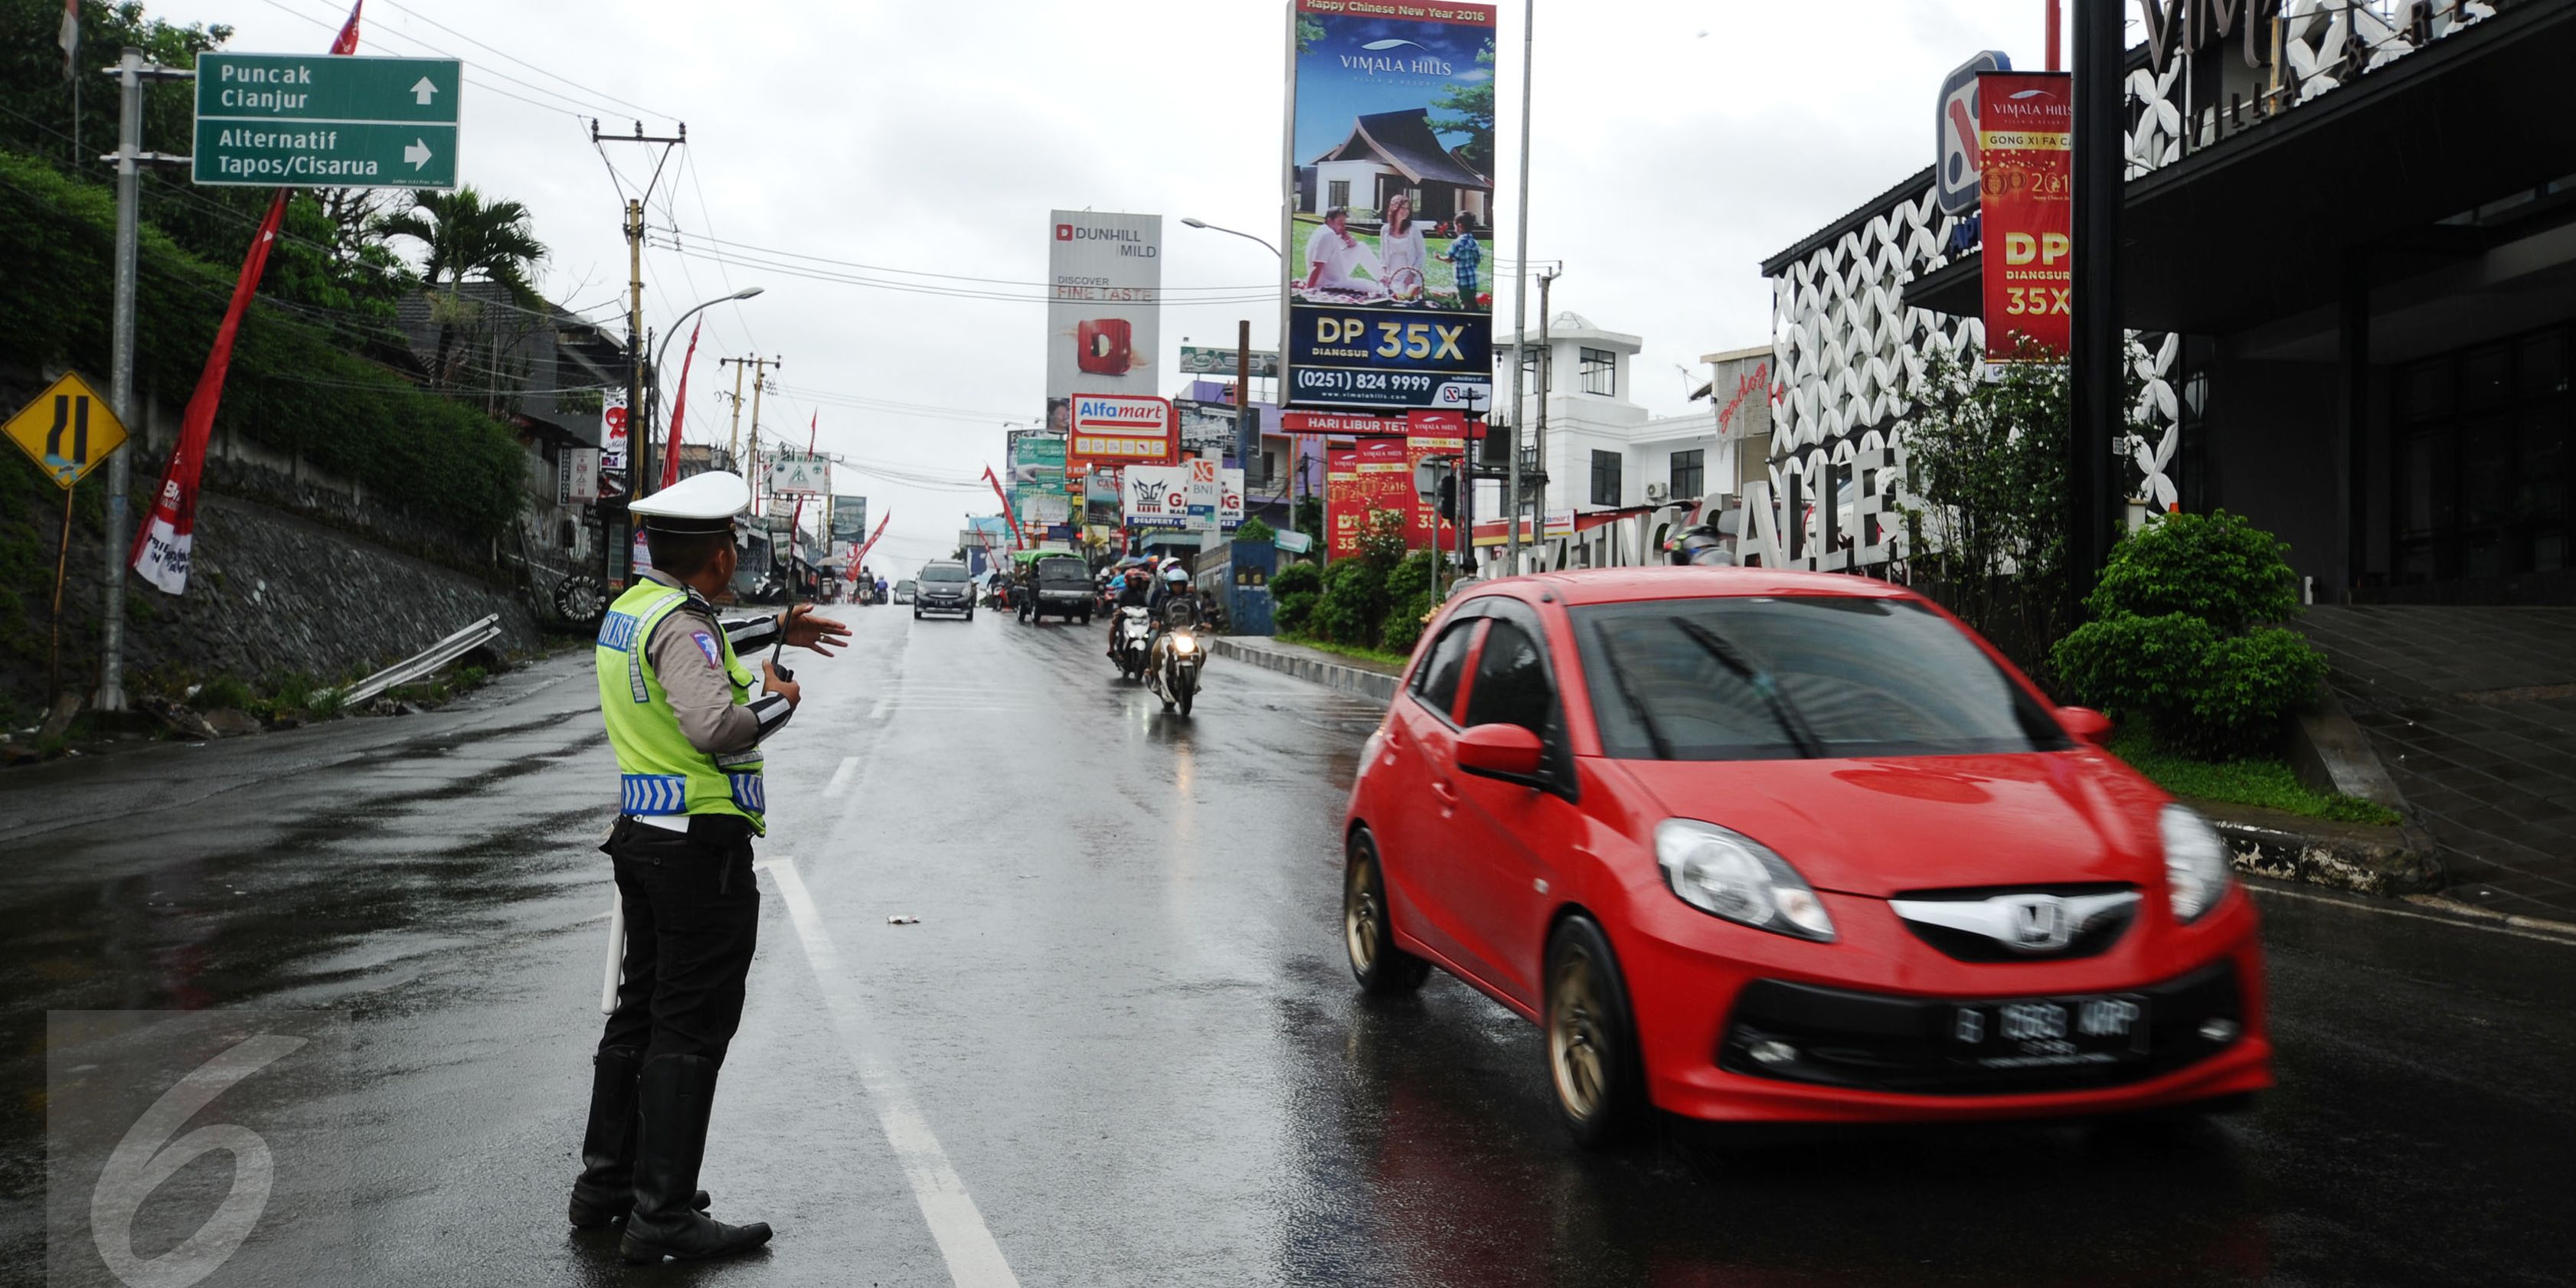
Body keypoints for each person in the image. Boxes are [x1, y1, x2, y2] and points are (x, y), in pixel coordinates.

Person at [569, 470, 850, 1264]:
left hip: (644, 834)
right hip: (699, 848)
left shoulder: (633, 608)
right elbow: (713, 723)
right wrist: (779, 699)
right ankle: (663, 1218)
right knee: (690, 1023)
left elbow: (687, 649)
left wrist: (775, 627)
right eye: (729, 542)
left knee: (640, 1010)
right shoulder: (684, 627)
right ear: (721, 556)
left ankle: (608, 1187)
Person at [1301, 207, 1378, 296]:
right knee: (1373, 286)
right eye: (1340, 222)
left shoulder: (1324, 231)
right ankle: (1385, 282)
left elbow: (1353, 247)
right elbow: (1317, 265)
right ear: (1330, 220)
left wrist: (1350, 241)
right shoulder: (1327, 235)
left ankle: (1384, 279)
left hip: (1332, 275)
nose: (1343, 226)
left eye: (1344, 223)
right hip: (1329, 283)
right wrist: (1309, 289)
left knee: (1361, 247)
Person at [1376, 195, 1428, 301]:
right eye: (1402, 208)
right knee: (1383, 297)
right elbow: (1382, 254)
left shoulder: (1413, 230)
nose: (1405, 211)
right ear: (1394, 208)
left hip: (1409, 277)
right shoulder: (1385, 230)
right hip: (1391, 276)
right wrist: (1384, 273)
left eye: (1407, 209)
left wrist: (1412, 275)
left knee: (1406, 299)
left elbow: (1422, 254)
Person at [1439, 215, 1483, 309]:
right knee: (1472, 301)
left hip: (1462, 281)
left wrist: (1439, 258)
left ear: (1459, 226)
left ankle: (1466, 319)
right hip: (1472, 281)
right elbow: (1478, 259)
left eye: (1455, 227)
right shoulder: (1474, 242)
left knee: (1465, 302)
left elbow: (1450, 259)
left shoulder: (1457, 243)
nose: (1455, 229)